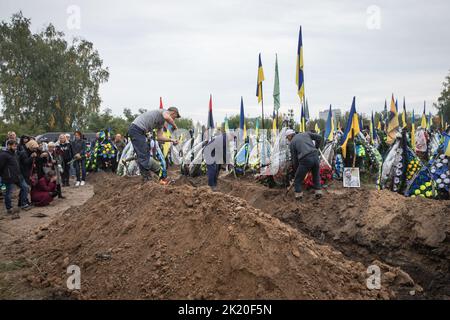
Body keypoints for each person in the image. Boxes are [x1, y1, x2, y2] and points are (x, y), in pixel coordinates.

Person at [127, 107, 180, 182]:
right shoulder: (164, 111)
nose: (174, 119)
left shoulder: (161, 123)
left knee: (144, 153)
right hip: (136, 129)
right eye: (175, 117)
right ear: (173, 113)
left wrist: (171, 140)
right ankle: (147, 178)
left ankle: (149, 176)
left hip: (140, 132)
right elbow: (167, 117)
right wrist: (175, 127)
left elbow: (159, 137)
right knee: (143, 154)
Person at [286, 129, 323, 200]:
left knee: (297, 179)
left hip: (305, 159)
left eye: (287, 138)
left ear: (290, 136)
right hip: (315, 156)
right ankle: (318, 192)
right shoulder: (305, 134)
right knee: (316, 175)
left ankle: (298, 195)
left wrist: (296, 171)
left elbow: (294, 160)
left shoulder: (292, 143)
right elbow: (319, 137)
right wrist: (316, 147)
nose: (288, 140)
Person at [0, 140, 22, 218]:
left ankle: (22, 203)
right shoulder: (4, 155)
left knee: (24, 188)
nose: (15, 147)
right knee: (7, 193)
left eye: (16, 146)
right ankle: (9, 208)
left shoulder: (13, 154)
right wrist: (4, 175)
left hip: (15, 177)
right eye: (14, 146)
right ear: (9, 146)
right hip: (7, 178)